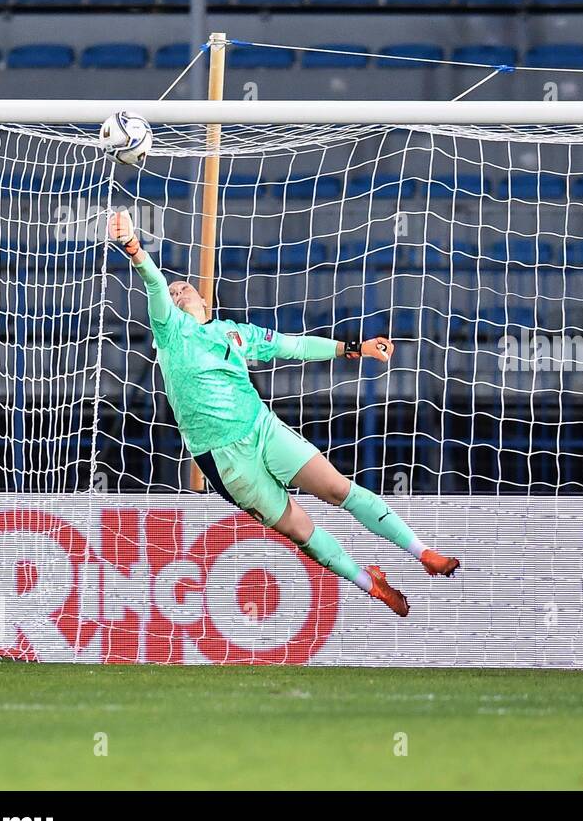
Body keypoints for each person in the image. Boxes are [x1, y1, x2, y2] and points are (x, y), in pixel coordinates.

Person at [107, 209, 460, 619]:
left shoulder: (235, 334)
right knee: (300, 530)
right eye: (173, 291)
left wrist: (354, 348)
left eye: (184, 287)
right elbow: (152, 280)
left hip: (263, 429)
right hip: (224, 460)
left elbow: (292, 346)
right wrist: (133, 246)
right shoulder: (170, 333)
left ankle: (422, 551)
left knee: (337, 489)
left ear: (205, 301)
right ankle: (371, 583)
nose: (176, 291)